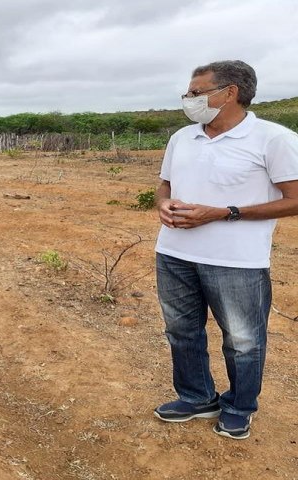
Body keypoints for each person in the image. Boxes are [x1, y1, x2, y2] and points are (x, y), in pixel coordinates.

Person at [153, 60, 298, 440]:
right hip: (174, 254)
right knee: (182, 331)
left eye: (196, 92)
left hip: (236, 262)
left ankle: (239, 406)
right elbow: (164, 185)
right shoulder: (182, 138)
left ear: (230, 92)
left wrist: (225, 212)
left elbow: (295, 199)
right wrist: (162, 203)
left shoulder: (273, 139)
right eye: (188, 92)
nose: (189, 99)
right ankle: (197, 397)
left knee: (243, 340)